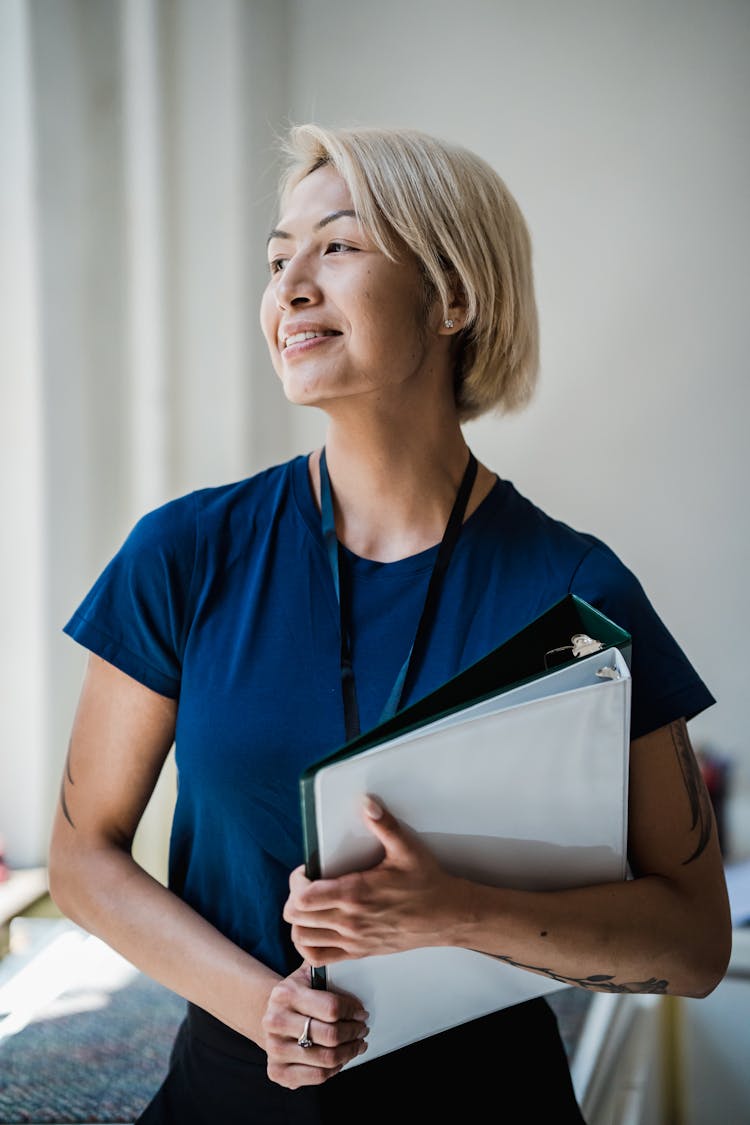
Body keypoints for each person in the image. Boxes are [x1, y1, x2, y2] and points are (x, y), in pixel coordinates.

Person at [49, 123, 731, 1124]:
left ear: (452, 295)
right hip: (230, 1098)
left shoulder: (582, 594)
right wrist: (262, 1008)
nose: (289, 285)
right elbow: (83, 855)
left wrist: (457, 909)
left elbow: (693, 944)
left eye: (337, 244)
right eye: (278, 257)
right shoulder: (182, 552)